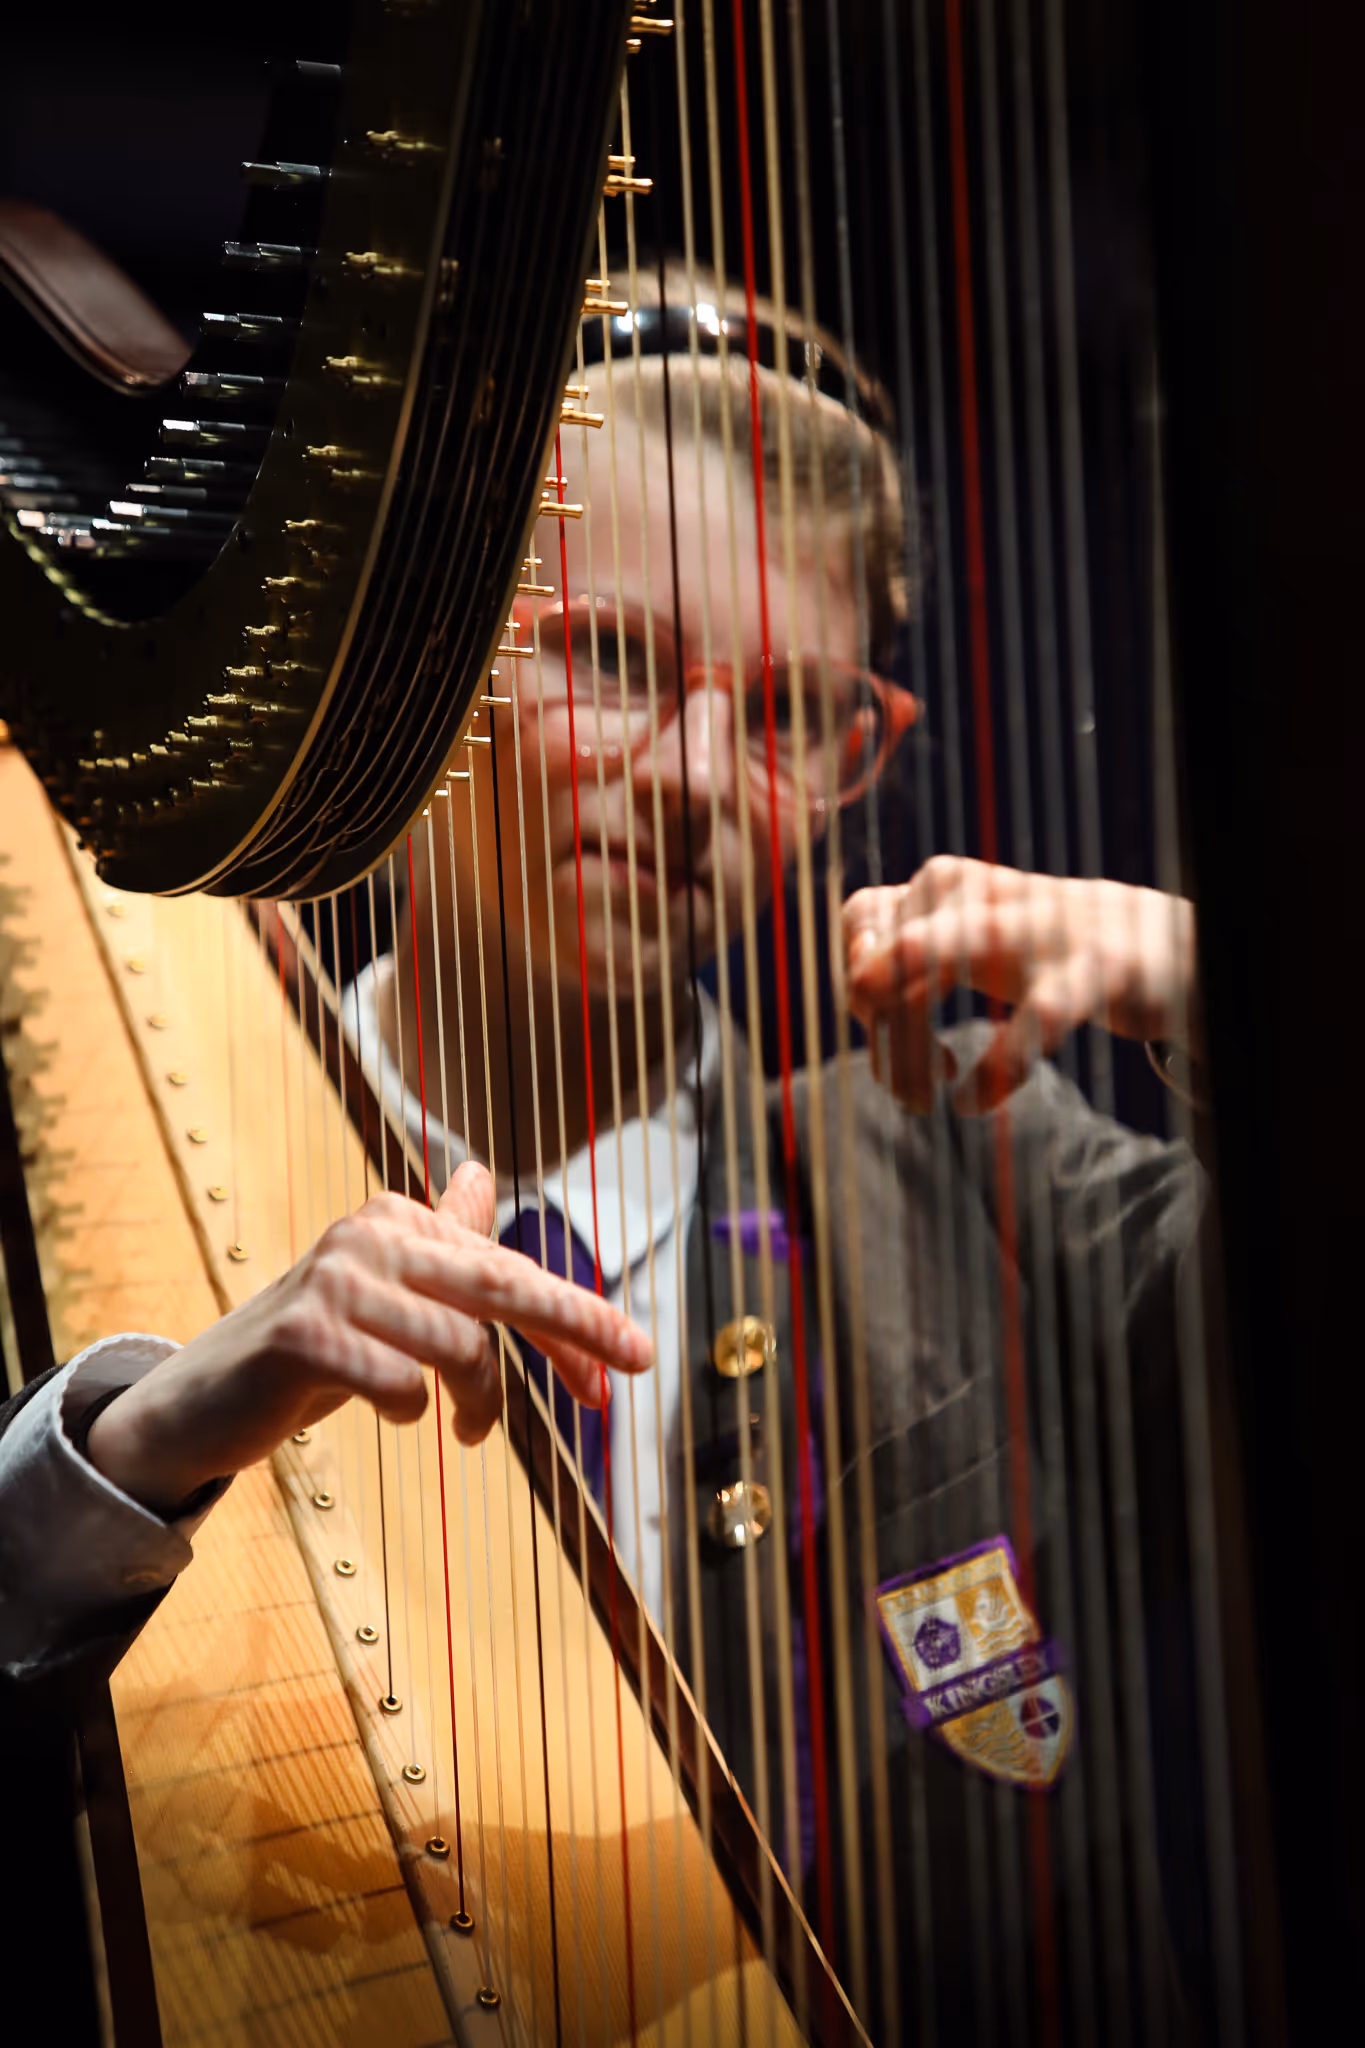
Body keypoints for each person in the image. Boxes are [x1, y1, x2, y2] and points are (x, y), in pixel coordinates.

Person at [1, 275, 1207, 2038]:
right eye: (620, 658)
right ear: (423, 645)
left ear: (865, 751)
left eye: (789, 710)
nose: (701, 774)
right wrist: (137, 1447)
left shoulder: (971, 1147)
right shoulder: (110, 1098)